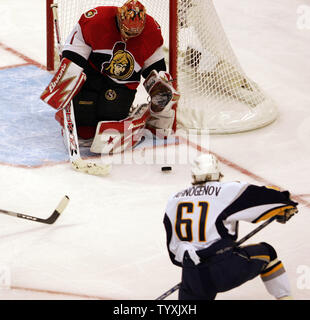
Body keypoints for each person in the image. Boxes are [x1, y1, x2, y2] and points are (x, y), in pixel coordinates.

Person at [41, 0, 179, 154]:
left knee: (110, 115)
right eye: (127, 31)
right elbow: (74, 56)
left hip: (121, 85)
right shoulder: (95, 21)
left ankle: (134, 115)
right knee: (83, 123)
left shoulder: (151, 31)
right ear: (119, 18)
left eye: (135, 33)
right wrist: (68, 76)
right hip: (91, 76)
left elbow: (155, 69)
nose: (129, 37)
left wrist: (161, 85)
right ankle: (81, 115)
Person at [163, 154, 299, 300]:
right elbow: (264, 197)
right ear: (218, 173)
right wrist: (284, 205)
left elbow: (173, 248)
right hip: (223, 268)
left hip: (192, 274)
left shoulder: (173, 200)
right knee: (267, 252)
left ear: (194, 175)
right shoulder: (227, 190)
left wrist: (194, 267)